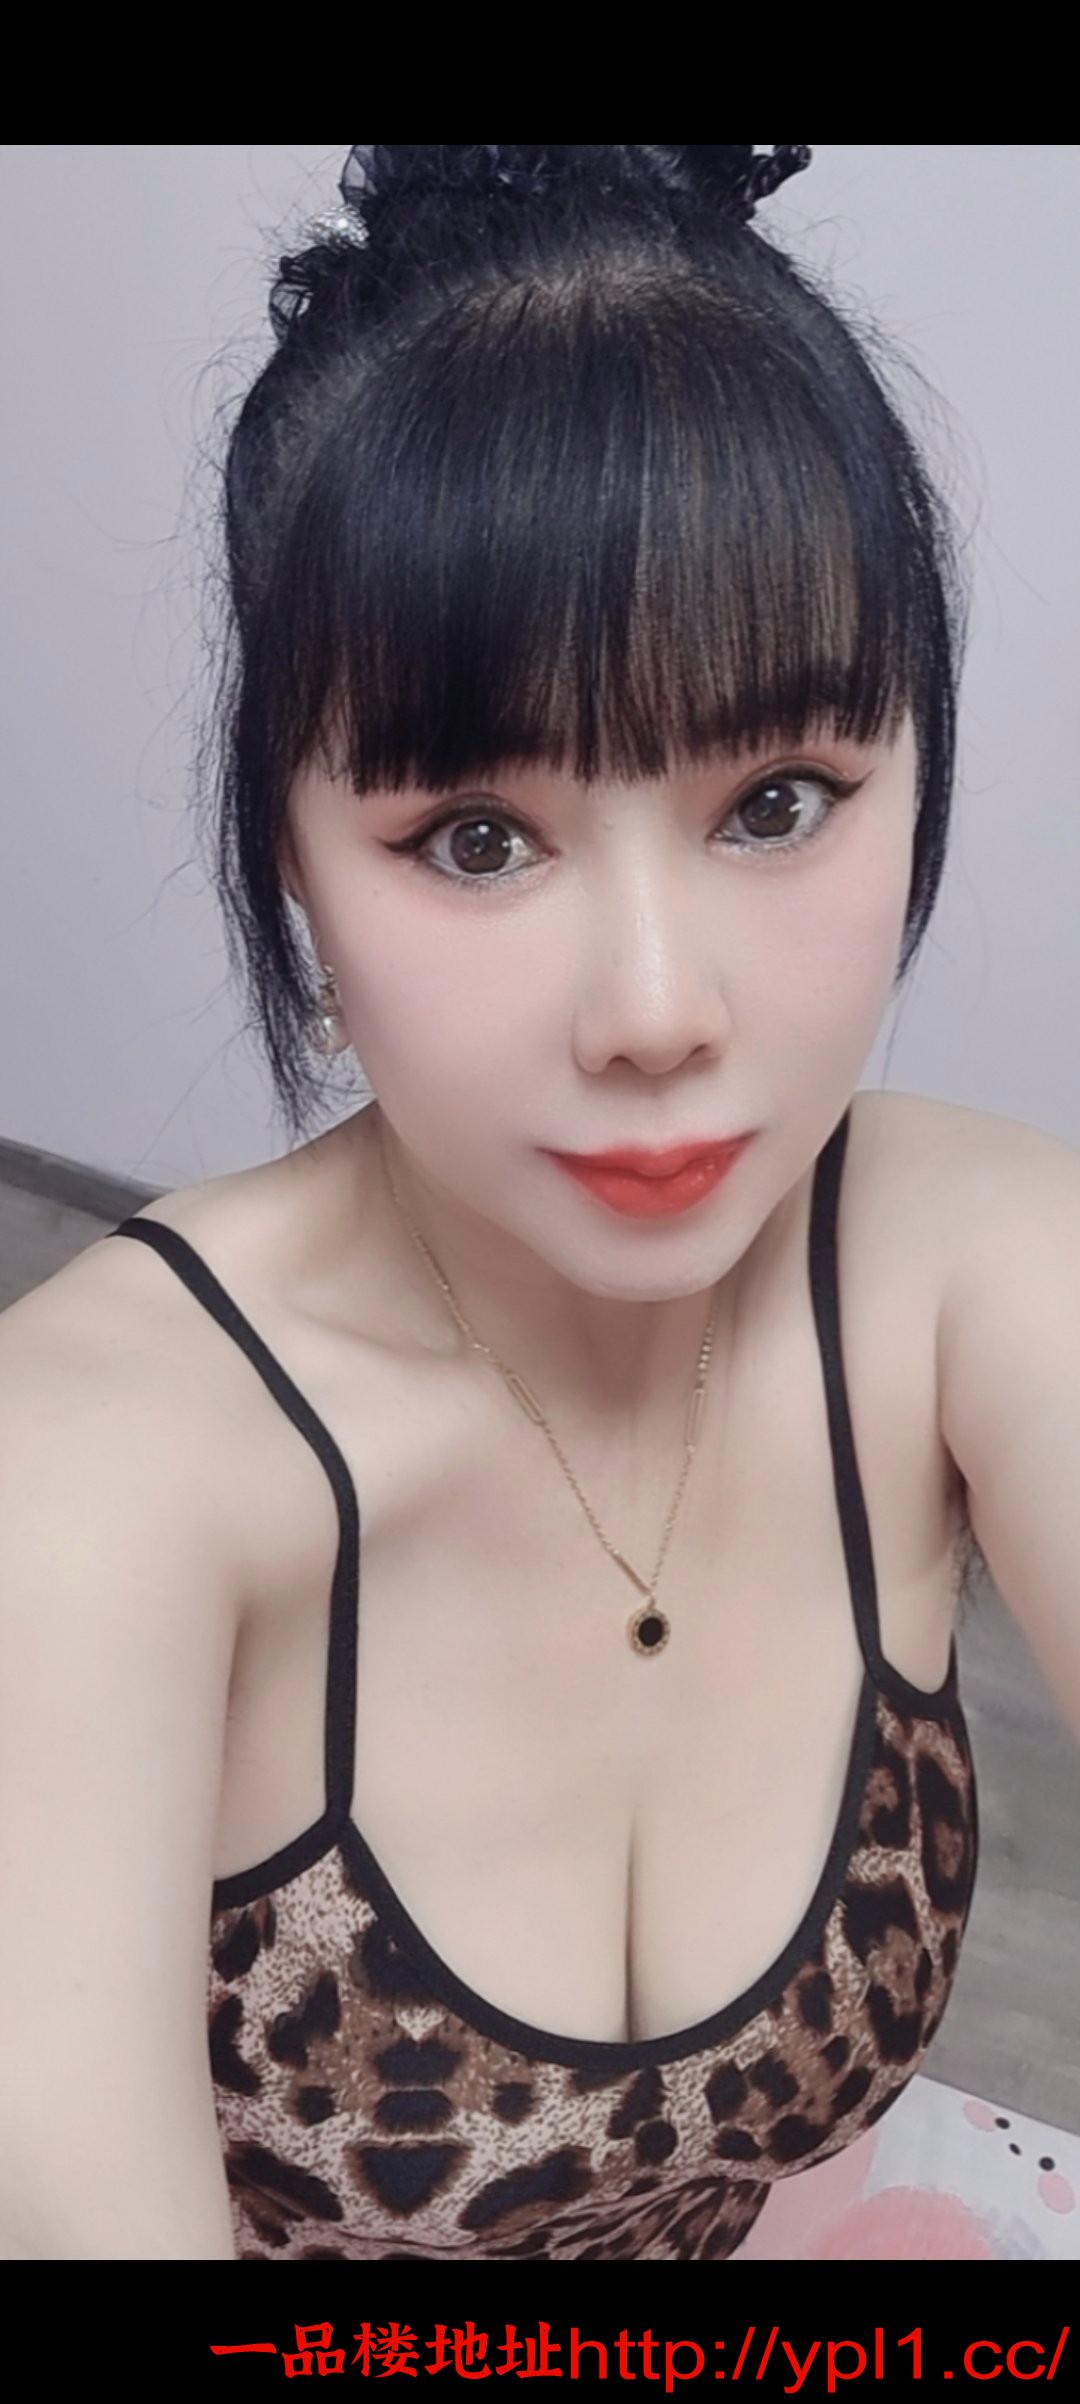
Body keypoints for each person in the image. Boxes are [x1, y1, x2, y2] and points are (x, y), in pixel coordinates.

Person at [4, 140, 1033, 2264]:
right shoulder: (92, 1480)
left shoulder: (973, 1279)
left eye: (780, 799)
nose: (658, 1012)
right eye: (477, 838)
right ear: (291, 854)